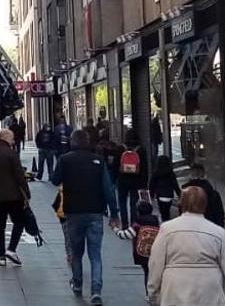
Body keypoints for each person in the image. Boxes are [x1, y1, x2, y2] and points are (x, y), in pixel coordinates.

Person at [51, 129, 121, 305]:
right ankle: (96, 290)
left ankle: (77, 283)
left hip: (73, 212)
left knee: (76, 252)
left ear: (72, 142)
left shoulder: (65, 159)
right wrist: (114, 213)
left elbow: (54, 179)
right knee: (95, 254)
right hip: (95, 212)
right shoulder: (98, 161)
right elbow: (108, 189)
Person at [147, 185, 225, 306]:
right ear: (205, 205)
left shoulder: (167, 229)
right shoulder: (218, 232)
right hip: (209, 289)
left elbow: (156, 262)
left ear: (181, 204)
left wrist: (153, 293)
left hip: (174, 288)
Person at [0, 128, 31, 267]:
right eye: (12, 138)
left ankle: (1, 256)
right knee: (19, 222)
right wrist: (26, 194)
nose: (13, 141)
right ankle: (11, 249)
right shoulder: (11, 154)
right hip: (14, 197)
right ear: (6, 139)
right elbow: (19, 177)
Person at [118, 128, 150, 230]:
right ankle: (133, 223)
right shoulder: (141, 150)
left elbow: (115, 165)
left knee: (122, 202)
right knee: (133, 203)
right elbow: (144, 167)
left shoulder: (120, 149)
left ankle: (124, 224)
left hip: (122, 180)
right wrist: (144, 183)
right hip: (136, 181)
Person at [131, 200, 161, 293]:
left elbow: (129, 234)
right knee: (154, 270)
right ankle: (156, 290)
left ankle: (148, 292)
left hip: (142, 252)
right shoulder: (156, 220)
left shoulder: (137, 221)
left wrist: (116, 229)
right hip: (155, 250)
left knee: (147, 271)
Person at [150, 155, 181, 222]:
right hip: (169, 195)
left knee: (162, 212)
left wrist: (151, 195)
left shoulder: (156, 173)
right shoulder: (171, 173)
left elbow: (152, 185)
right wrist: (180, 195)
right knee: (167, 212)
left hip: (160, 195)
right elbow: (175, 185)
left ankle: (164, 223)